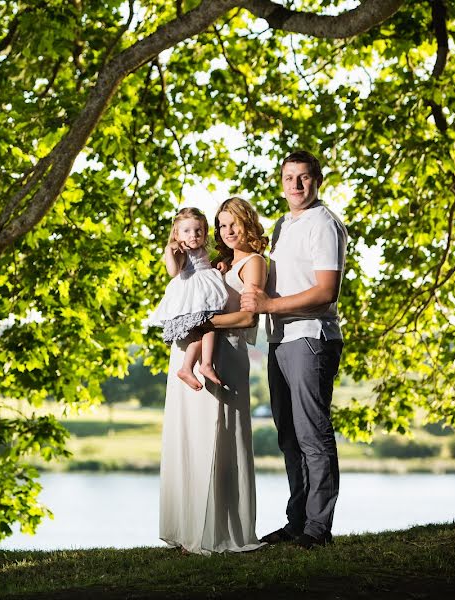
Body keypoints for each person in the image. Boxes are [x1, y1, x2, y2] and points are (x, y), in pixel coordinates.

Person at [240, 150, 348, 550]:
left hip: (310, 338)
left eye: (304, 177)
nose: (296, 185)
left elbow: (325, 292)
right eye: (289, 178)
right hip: (280, 340)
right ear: (281, 182)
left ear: (317, 180)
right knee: (289, 436)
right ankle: (297, 521)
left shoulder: (324, 224)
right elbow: (270, 278)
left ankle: (319, 529)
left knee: (313, 435)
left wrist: (268, 306)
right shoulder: (283, 224)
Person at [159, 197, 268, 555]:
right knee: (189, 438)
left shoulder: (253, 264)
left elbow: (248, 318)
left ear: (248, 223)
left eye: (233, 223)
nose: (227, 231)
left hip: (225, 354)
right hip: (192, 347)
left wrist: (199, 323)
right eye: (222, 225)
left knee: (221, 440)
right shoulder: (218, 265)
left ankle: (220, 530)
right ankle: (186, 529)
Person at [149, 207, 229, 391]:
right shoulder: (182, 252)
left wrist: (218, 267)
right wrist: (169, 250)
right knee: (207, 327)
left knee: (205, 330)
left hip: (204, 294)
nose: (193, 235)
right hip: (193, 298)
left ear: (205, 232)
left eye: (198, 230)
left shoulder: (202, 250)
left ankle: (190, 367)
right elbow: (173, 272)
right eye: (187, 231)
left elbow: (205, 267)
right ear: (176, 234)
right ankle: (203, 365)